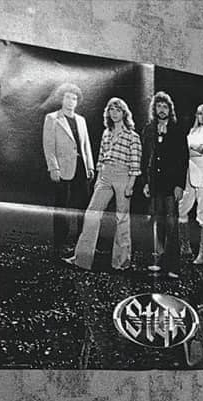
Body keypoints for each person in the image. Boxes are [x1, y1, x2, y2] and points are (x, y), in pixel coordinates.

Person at [64, 97, 141, 271]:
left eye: (118, 110)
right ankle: (82, 259)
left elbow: (136, 164)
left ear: (124, 113)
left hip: (123, 175)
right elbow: (100, 157)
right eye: (111, 110)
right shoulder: (106, 133)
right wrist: (99, 177)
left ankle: (121, 262)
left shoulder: (132, 136)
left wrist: (130, 185)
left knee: (121, 218)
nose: (114, 113)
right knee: (92, 214)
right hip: (105, 175)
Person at [42, 83, 94, 259]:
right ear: (61, 99)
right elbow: (48, 146)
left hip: (81, 168)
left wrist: (90, 166)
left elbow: (86, 145)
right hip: (62, 168)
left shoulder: (81, 120)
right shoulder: (52, 118)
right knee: (61, 206)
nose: (71, 101)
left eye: (74, 98)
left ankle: (82, 242)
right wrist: (53, 167)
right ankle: (59, 244)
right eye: (67, 97)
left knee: (83, 206)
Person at [141, 91, 187, 278]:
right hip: (155, 184)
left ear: (170, 109)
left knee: (171, 223)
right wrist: (145, 183)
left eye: (165, 106)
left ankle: (174, 266)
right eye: (158, 106)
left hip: (171, 185)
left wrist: (179, 185)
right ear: (154, 109)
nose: (161, 110)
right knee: (158, 222)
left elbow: (183, 159)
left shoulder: (177, 130)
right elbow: (145, 159)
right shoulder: (149, 129)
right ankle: (158, 261)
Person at [177, 104, 203, 268]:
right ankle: (185, 246)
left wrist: (183, 149)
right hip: (189, 174)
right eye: (200, 113)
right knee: (181, 209)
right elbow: (190, 150)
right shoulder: (192, 132)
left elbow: (200, 150)